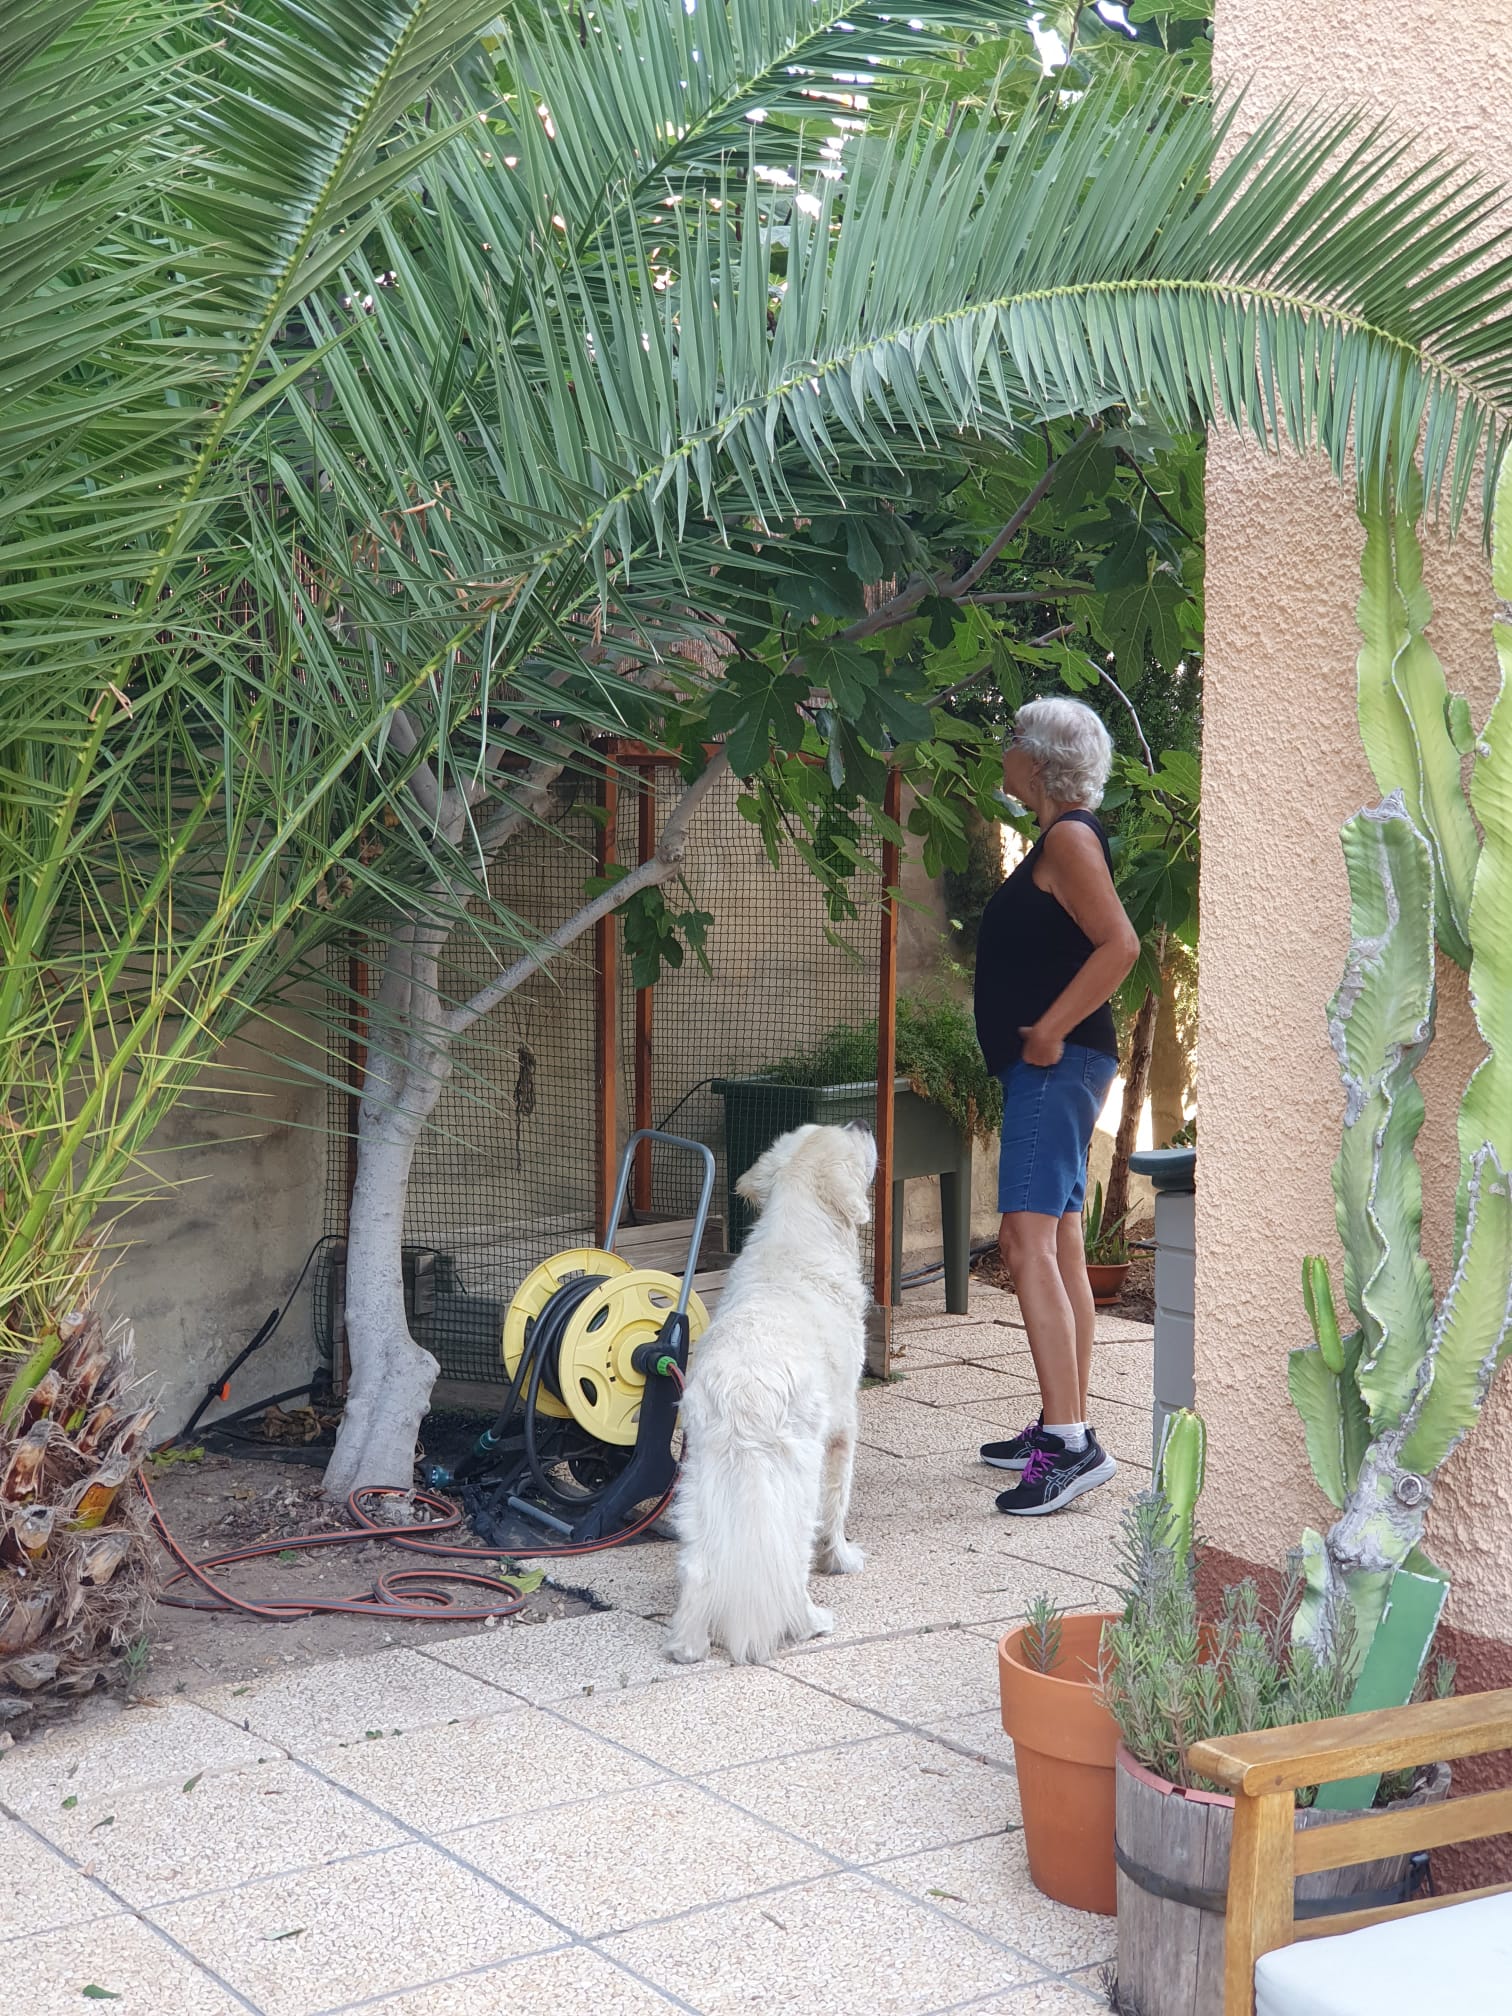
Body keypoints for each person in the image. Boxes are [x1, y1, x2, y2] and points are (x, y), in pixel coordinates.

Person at [972, 697, 1140, 1516]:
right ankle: (1060, 1422)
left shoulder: (1069, 837)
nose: (1000, 751)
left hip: (1057, 1066)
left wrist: (1048, 1031)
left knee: (1023, 1242)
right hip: (1060, 1067)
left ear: (1037, 759)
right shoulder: (1058, 836)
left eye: (1010, 739)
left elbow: (1122, 945)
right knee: (1064, 1242)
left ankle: (1070, 1444)